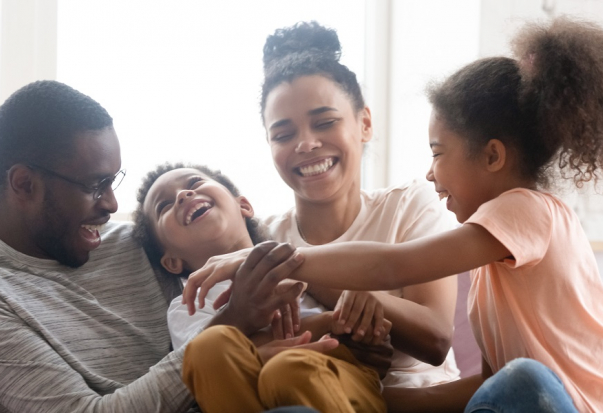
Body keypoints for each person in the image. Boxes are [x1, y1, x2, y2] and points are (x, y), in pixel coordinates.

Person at [193, 17, 603, 412]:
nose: (430, 172)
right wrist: (365, 398)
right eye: (283, 132)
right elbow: (487, 387)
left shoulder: (529, 209)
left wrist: (265, 259)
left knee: (524, 378)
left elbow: (392, 264)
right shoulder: (491, 277)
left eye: (438, 152)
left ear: (492, 156)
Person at [0, 80, 321, 413]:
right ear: (24, 184)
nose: (111, 205)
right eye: (95, 186)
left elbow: (266, 256)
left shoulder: (137, 242)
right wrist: (235, 319)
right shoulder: (5, 302)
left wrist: (356, 314)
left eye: (113, 181)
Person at [184, 21, 461, 390]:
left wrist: (300, 268)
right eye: (283, 134)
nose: (306, 143)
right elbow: (235, 353)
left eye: (325, 122)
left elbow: (436, 339)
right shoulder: (263, 236)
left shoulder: (409, 203)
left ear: (364, 123)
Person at [132, 162, 393, 413]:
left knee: (288, 369)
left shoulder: (300, 262)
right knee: (206, 347)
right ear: (172, 262)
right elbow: (212, 368)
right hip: (249, 389)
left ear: (243, 205)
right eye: (164, 205)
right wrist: (324, 323)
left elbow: (356, 325)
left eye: (195, 182)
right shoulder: (187, 305)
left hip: (335, 374)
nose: (183, 194)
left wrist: (360, 314)